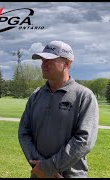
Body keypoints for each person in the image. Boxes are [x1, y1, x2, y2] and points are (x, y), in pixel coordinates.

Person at [18, 40, 99, 178]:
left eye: (49, 60)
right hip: (39, 174)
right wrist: (40, 166)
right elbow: (24, 132)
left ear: (67, 63)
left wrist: (51, 166)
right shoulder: (36, 95)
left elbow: (84, 140)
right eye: (42, 60)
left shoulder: (84, 96)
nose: (43, 64)